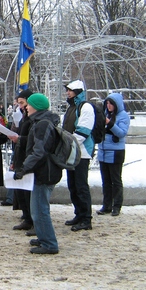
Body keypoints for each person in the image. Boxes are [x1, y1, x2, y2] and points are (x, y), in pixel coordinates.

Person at [14, 93, 62, 254]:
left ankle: (49, 243)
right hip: (45, 171)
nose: (26, 107)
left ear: (37, 107)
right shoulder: (42, 122)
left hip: (44, 172)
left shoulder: (42, 124)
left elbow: (39, 152)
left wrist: (23, 169)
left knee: (40, 210)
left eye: (29, 104)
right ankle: (43, 237)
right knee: (37, 209)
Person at [62, 80, 95, 231]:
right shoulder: (72, 107)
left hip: (82, 152)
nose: (68, 93)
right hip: (73, 151)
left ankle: (86, 218)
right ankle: (79, 214)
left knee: (81, 186)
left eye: (70, 90)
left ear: (78, 92)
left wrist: (69, 144)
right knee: (73, 186)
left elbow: (83, 131)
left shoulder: (85, 107)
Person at [97, 93, 130, 217]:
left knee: (116, 180)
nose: (109, 106)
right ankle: (107, 205)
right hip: (103, 151)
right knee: (106, 181)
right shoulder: (105, 114)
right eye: (107, 103)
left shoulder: (123, 116)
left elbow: (121, 133)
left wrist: (109, 123)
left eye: (111, 104)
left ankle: (117, 206)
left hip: (116, 152)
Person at [8, 89, 35, 232]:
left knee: (28, 191)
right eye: (19, 103)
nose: (21, 106)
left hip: (28, 156)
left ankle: (32, 219)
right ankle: (26, 216)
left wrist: (19, 138)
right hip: (20, 153)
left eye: (22, 103)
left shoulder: (34, 119)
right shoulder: (25, 116)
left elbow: (33, 139)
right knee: (20, 190)